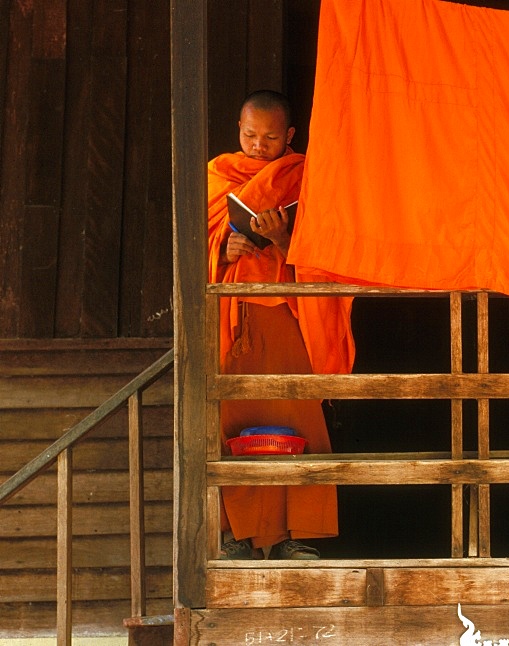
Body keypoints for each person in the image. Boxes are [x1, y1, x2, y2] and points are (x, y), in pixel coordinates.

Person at [207, 89, 354, 560]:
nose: (258, 146)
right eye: (250, 136)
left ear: (289, 136)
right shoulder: (217, 176)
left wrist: (283, 236)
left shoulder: (306, 177)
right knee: (232, 423)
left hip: (287, 318)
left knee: (298, 422)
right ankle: (234, 535)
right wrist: (222, 250)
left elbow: (330, 248)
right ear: (238, 130)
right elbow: (197, 242)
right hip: (234, 320)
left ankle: (292, 535)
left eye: (270, 138)